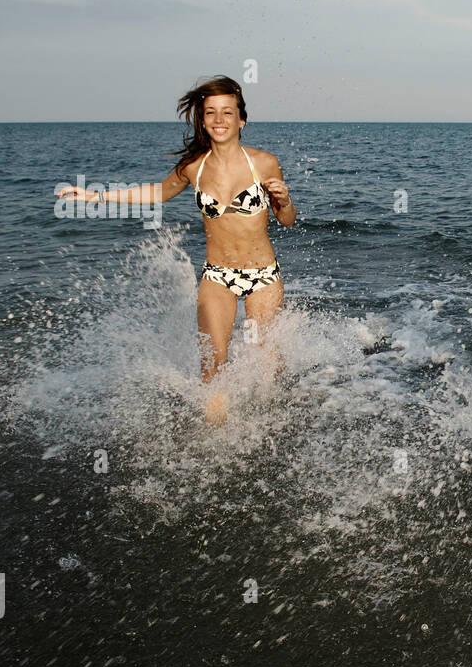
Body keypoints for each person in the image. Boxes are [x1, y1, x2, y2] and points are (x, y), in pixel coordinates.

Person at [57, 76, 296, 424]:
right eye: (210, 112)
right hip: (217, 276)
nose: (219, 119)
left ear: (241, 119)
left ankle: (274, 430)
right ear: (201, 120)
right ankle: (214, 442)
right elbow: (155, 193)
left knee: (266, 363)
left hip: (263, 276)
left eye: (227, 112)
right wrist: (97, 196)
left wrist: (286, 201)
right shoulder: (193, 168)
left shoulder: (264, 163)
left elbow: (286, 220)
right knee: (212, 365)